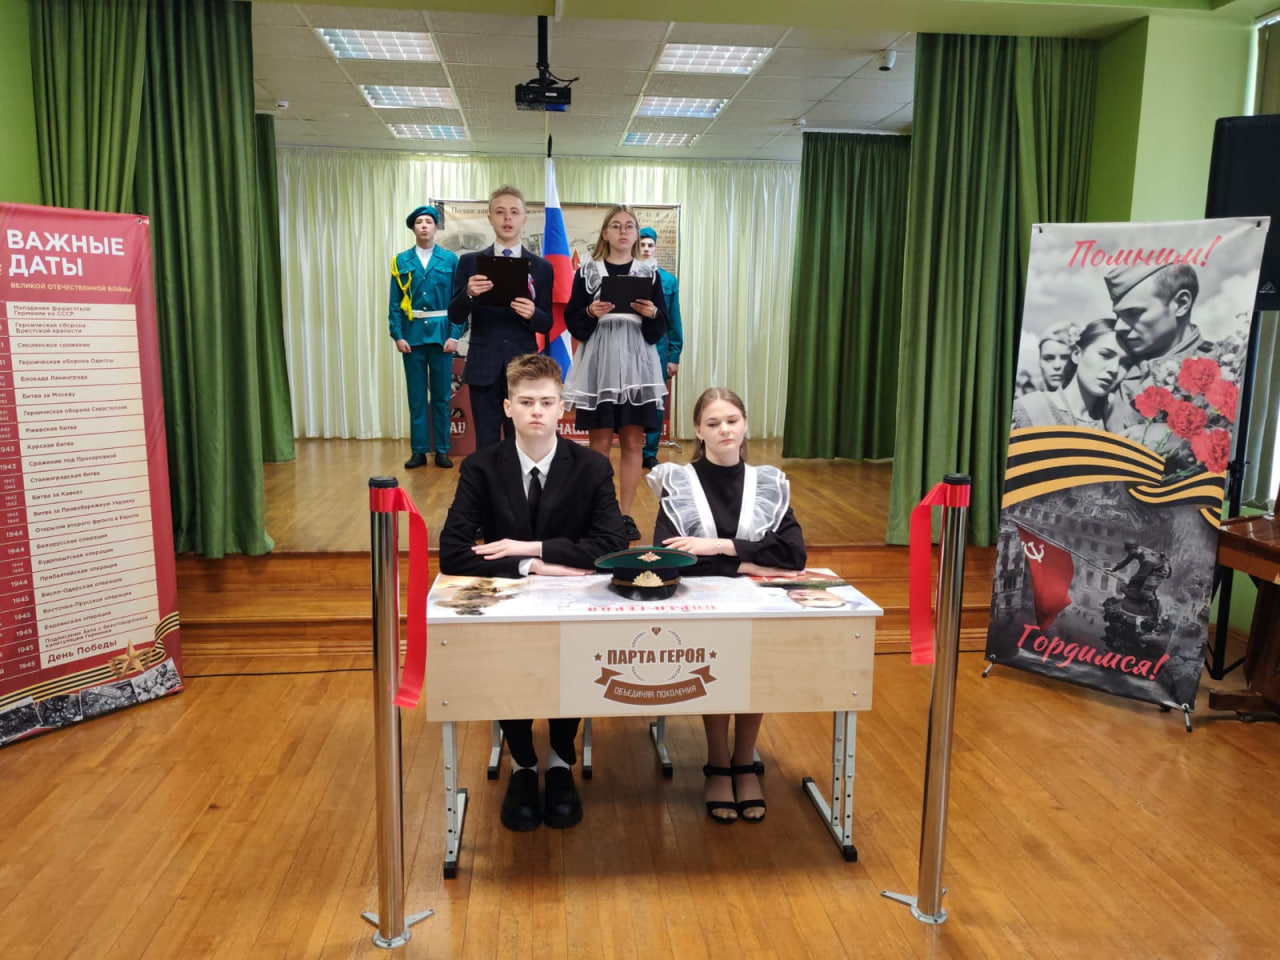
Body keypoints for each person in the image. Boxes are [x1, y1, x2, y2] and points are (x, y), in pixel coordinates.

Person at [438, 353, 629, 832]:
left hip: (574, 605)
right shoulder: (481, 467)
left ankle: (561, 759)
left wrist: (531, 546)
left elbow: (612, 547)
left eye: (546, 402)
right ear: (507, 408)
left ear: (562, 407)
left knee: (574, 657)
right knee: (511, 658)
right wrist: (534, 565)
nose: (537, 411)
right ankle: (523, 763)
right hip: (512, 601)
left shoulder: (591, 467)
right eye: (526, 402)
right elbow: (453, 553)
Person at [649, 387, 806, 824]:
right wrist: (750, 561)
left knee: (754, 667)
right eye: (713, 423)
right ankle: (718, 761)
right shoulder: (678, 482)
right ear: (698, 431)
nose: (724, 430)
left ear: (745, 425)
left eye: (732, 420)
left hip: (755, 603)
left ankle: (744, 760)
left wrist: (719, 547)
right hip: (703, 604)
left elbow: (793, 555)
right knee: (717, 665)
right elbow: (671, 559)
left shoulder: (767, 483)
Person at [563, 206, 668, 541]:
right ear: (605, 233)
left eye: (629, 226)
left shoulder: (649, 273)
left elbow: (660, 325)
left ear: (637, 233)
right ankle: (600, 512)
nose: (623, 232)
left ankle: (625, 514)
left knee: (634, 440)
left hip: (637, 366)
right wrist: (590, 311)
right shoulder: (588, 272)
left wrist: (652, 313)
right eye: (616, 226)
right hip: (600, 364)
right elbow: (573, 320)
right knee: (600, 441)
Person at [447, 186, 553, 449]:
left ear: (524, 219)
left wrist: (533, 314)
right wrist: (468, 294)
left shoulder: (541, 267)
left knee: (522, 441)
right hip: (483, 365)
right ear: (490, 218)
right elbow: (455, 315)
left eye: (514, 212)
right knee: (486, 443)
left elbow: (547, 322)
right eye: (500, 212)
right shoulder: (470, 262)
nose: (507, 218)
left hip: (524, 366)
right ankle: (489, 480)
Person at [388, 205, 461, 469]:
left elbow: (459, 301)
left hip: (441, 336)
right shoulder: (401, 261)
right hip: (413, 336)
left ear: (436, 227)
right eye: (419, 222)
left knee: (441, 397)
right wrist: (397, 335)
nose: (424, 226)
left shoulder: (450, 260)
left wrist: (455, 334)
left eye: (429, 221)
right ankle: (419, 450)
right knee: (417, 396)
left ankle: (441, 449)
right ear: (413, 228)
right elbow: (395, 302)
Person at [1103, 262, 1217, 431]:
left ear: (1181, 304)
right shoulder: (1111, 372)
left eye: (1133, 313)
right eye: (1118, 316)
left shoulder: (1229, 369)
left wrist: (1175, 440)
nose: (1119, 327)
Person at [1011, 319, 1128, 429]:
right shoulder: (1031, 409)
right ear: (1076, 354)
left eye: (1125, 363)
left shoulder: (1113, 424)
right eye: (1105, 355)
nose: (1114, 369)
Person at [637, 226, 683, 469]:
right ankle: (632, 446)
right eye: (642, 244)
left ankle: (649, 452)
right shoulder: (628, 275)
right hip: (631, 345)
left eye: (650, 245)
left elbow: (674, 319)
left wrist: (674, 355)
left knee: (656, 400)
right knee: (632, 399)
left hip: (658, 347)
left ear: (656, 248)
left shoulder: (668, 281)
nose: (646, 249)